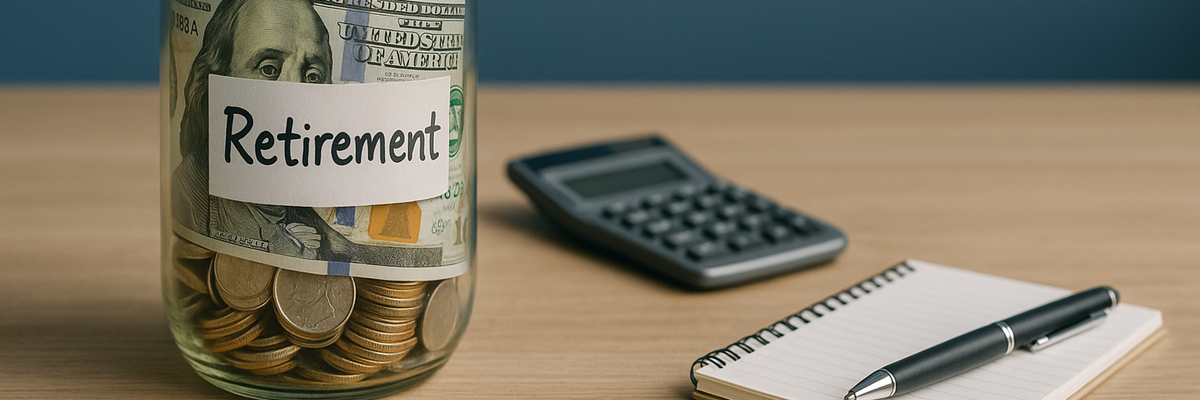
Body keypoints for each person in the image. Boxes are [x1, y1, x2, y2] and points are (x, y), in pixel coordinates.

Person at [172, 0, 340, 260]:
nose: (294, 96)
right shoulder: (187, 197)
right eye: (268, 69)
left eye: (312, 76)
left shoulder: (319, 228)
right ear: (211, 86)